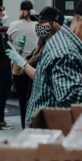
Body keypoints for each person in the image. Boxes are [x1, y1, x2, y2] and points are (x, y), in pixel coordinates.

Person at [5, 0, 38, 128]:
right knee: (33, 99)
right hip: (33, 66)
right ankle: (33, 125)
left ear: (21, 10)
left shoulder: (14, 25)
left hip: (18, 67)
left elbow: (8, 42)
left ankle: (25, 126)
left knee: (22, 100)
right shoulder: (37, 25)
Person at [0, 6, 13, 130]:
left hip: (5, 68)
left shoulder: (3, 32)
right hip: (2, 68)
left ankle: (2, 120)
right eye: (2, 13)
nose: (4, 15)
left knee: (4, 95)